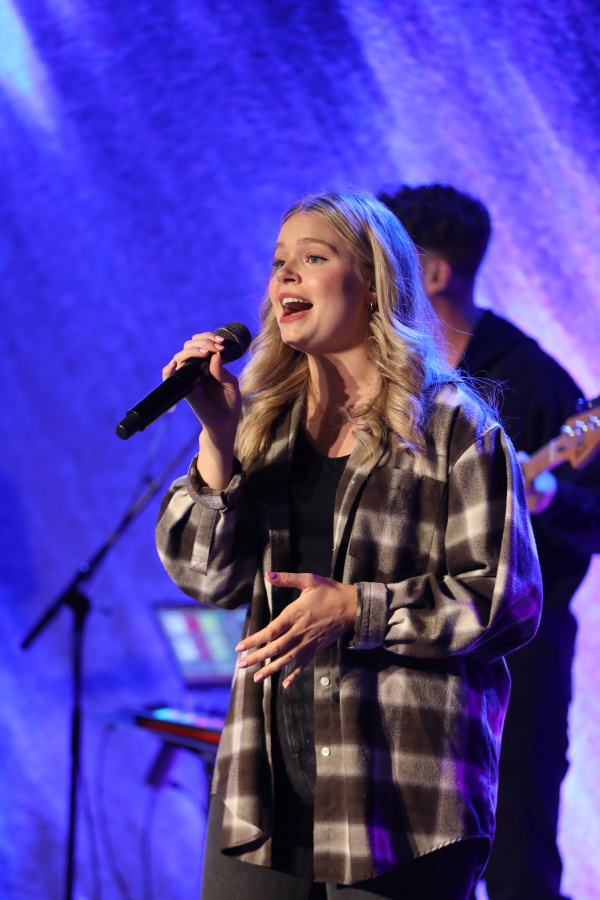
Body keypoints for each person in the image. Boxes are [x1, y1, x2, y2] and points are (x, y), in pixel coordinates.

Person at [155, 189, 542, 900]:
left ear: (372, 285)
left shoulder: (453, 428)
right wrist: (217, 438)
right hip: (265, 787)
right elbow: (206, 577)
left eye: (313, 258)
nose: (285, 275)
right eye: (279, 261)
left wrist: (357, 610)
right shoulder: (263, 424)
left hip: (401, 800)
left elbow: (504, 601)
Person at [380, 183, 600, 900]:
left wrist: (548, 493)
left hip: (517, 662)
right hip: (411, 656)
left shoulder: (531, 377)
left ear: (433, 273)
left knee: (516, 864)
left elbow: (595, 516)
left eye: (389, 259)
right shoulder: (391, 376)